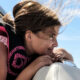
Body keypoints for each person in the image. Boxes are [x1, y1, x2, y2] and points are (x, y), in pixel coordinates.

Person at [0, 0, 62, 80]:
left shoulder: (38, 54)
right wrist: (31, 68)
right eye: (51, 36)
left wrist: (59, 56)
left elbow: (62, 52)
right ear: (29, 36)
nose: (56, 44)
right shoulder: (3, 44)